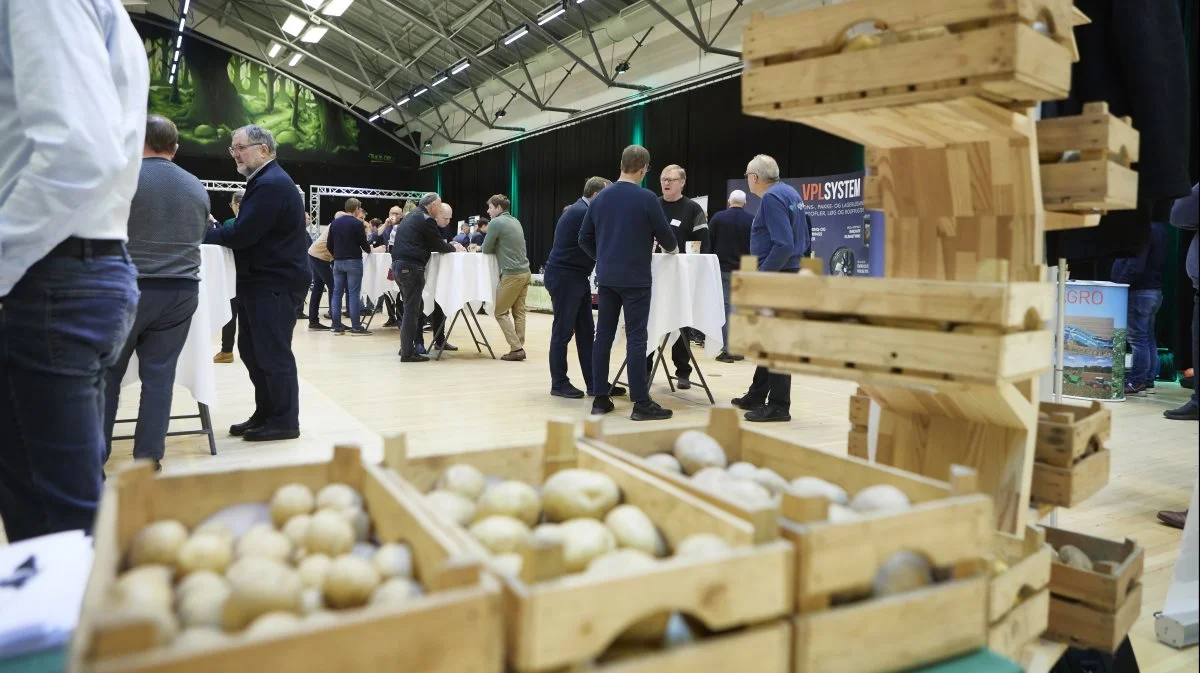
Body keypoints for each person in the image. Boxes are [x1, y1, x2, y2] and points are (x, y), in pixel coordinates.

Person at [0, 0, 148, 542]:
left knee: (54, 528)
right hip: (73, 268)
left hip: (48, 272)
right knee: (56, 511)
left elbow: (77, 154)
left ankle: (76, 628)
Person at [103, 114, 209, 469]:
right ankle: (148, 458)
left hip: (128, 288)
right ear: (174, 148)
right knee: (160, 377)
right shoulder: (196, 185)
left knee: (107, 376)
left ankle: (95, 456)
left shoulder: (124, 179)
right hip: (181, 291)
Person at [204, 125, 309, 441]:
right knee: (252, 350)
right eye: (233, 148)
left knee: (272, 353)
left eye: (240, 147)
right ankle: (266, 412)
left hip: (274, 282)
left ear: (263, 149)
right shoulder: (264, 182)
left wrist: (206, 235)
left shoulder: (271, 185)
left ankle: (285, 420)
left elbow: (242, 234)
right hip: (261, 281)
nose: (235, 153)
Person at [580, 145, 678, 421]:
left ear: (622, 164)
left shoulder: (600, 198)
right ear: (644, 168)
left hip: (608, 278)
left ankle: (600, 397)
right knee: (636, 338)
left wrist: (602, 258)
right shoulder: (647, 198)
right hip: (636, 279)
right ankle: (640, 403)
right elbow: (668, 240)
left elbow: (583, 238)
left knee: (604, 336)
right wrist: (669, 249)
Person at [732, 154, 806, 423]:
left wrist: (762, 276)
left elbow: (783, 244)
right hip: (788, 275)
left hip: (777, 278)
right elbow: (802, 237)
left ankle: (778, 405)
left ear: (754, 178)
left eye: (747, 175)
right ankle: (757, 393)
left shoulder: (772, 198)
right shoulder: (789, 193)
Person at [545, 177, 626, 399]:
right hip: (565, 277)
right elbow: (601, 241)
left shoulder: (580, 209)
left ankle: (595, 383)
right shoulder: (582, 212)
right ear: (597, 195)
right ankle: (559, 383)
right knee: (563, 332)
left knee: (585, 332)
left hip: (574, 276)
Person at [392, 194, 463, 362]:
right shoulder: (426, 219)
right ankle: (408, 353)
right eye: (439, 207)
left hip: (398, 266)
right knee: (412, 311)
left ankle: (406, 348)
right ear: (431, 206)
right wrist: (454, 249)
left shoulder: (411, 217)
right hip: (411, 268)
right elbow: (439, 245)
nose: (439, 210)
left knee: (410, 309)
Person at [657, 164, 710, 386]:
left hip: (683, 277)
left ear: (682, 182)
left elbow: (704, 245)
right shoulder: (654, 205)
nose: (666, 183)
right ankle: (645, 367)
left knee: (682, 323)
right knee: (651, 321)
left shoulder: (693, 210)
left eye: (671, 179)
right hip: (655, 276)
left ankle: (683, 370)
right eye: (663, 179)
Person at [1113, 222, 1168, 396]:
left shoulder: (1143, 230)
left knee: (1137, 339)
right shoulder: (1160, 229)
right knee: (1147, 337)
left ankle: (1137, 380)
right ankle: (1148, 377)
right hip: (1153, 291)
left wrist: (1118, 285)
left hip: (1139, 291)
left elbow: (1136, 265)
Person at [482, 195, 532, 361]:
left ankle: (516, 348)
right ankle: (518, 346)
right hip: (525, 272)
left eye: (490, 208)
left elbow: (486, 249)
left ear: (498, 208)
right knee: (519, 312)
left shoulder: (496, 223)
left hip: (512, 274)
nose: (488, 211)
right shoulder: (515, 221)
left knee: (500, 312)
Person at [708, 189, 754, 363]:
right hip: (745, 270)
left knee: (726, 308)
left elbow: (709, 244)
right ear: (745, 203)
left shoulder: (718, 218)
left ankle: (728, 349)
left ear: (729, 201)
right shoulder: (752, 220)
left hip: (723, 269)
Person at [327, 198, 373, 336]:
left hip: (338, 262)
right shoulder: (357, 224)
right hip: (353, 262)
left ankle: (336, 325)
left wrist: (336, 255)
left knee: (337, 293)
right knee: (353, 294)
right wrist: (369, 250)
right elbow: (363, 243)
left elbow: (329, 244)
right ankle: (356, 327)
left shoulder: (334, 223)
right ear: (357, 209)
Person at [215, 189, 245, 363]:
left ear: (237, 205)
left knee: (230, 314)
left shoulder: (229, 223)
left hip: (232, 274)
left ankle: (227, 351)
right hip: (255, 275)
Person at [306, 215, 335, 331]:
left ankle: (313, 321)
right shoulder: (339, 225)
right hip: (320, 257)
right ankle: (335, 321)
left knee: (318, 288)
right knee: (333, 287)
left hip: (314, 254)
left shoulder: (334, 225)